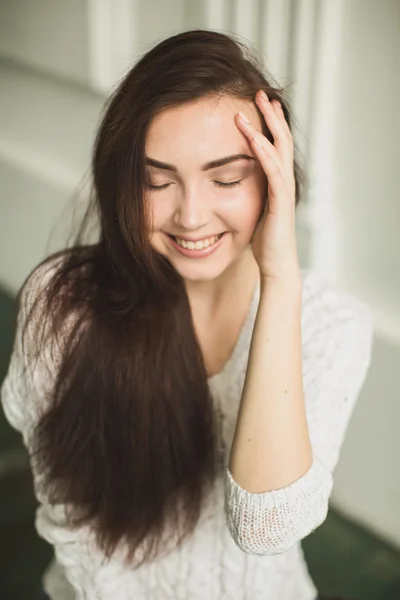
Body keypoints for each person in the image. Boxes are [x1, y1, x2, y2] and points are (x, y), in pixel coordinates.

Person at [0, 29, 373, 600]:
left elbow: (266, 526)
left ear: (273, 178)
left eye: (225, 179)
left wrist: (279, 281)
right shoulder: (61, 305)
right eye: (157, 181)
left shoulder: (333, 324)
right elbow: (75, 528)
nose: (191, 216)